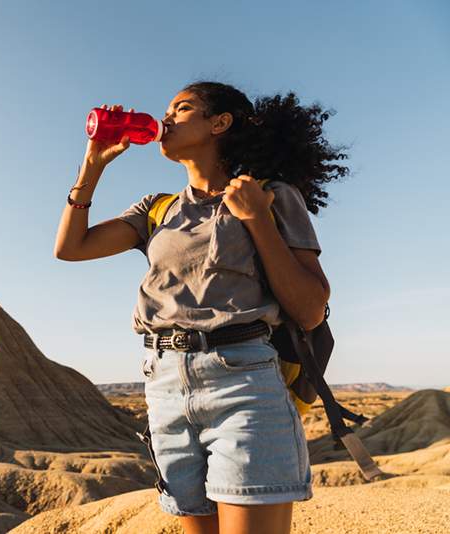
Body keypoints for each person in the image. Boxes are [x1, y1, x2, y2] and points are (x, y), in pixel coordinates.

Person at [54, 81, 348, 534]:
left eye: (182, 108)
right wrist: (92, 165)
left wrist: (255, 218)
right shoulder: (157, 209)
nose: (165, 117)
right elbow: (71, 248)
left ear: (220, 123)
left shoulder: (271, 195)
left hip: (243, 385)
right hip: (165, 388)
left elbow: (309, 308)